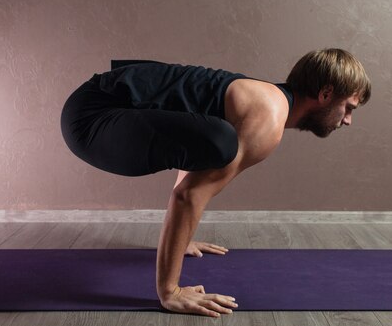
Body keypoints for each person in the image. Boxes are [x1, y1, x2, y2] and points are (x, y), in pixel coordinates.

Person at [60, 48, 371, 317]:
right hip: (92, 119)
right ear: (326, 94)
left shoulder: (265, 98)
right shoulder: (268, 118)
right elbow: (188, 195)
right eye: (349, 108)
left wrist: (180, 239)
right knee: (222, 143)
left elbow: (192, 157)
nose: (347, 120)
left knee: (216, 141)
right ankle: (168, 292)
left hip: (99, 104)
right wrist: (172, 291)